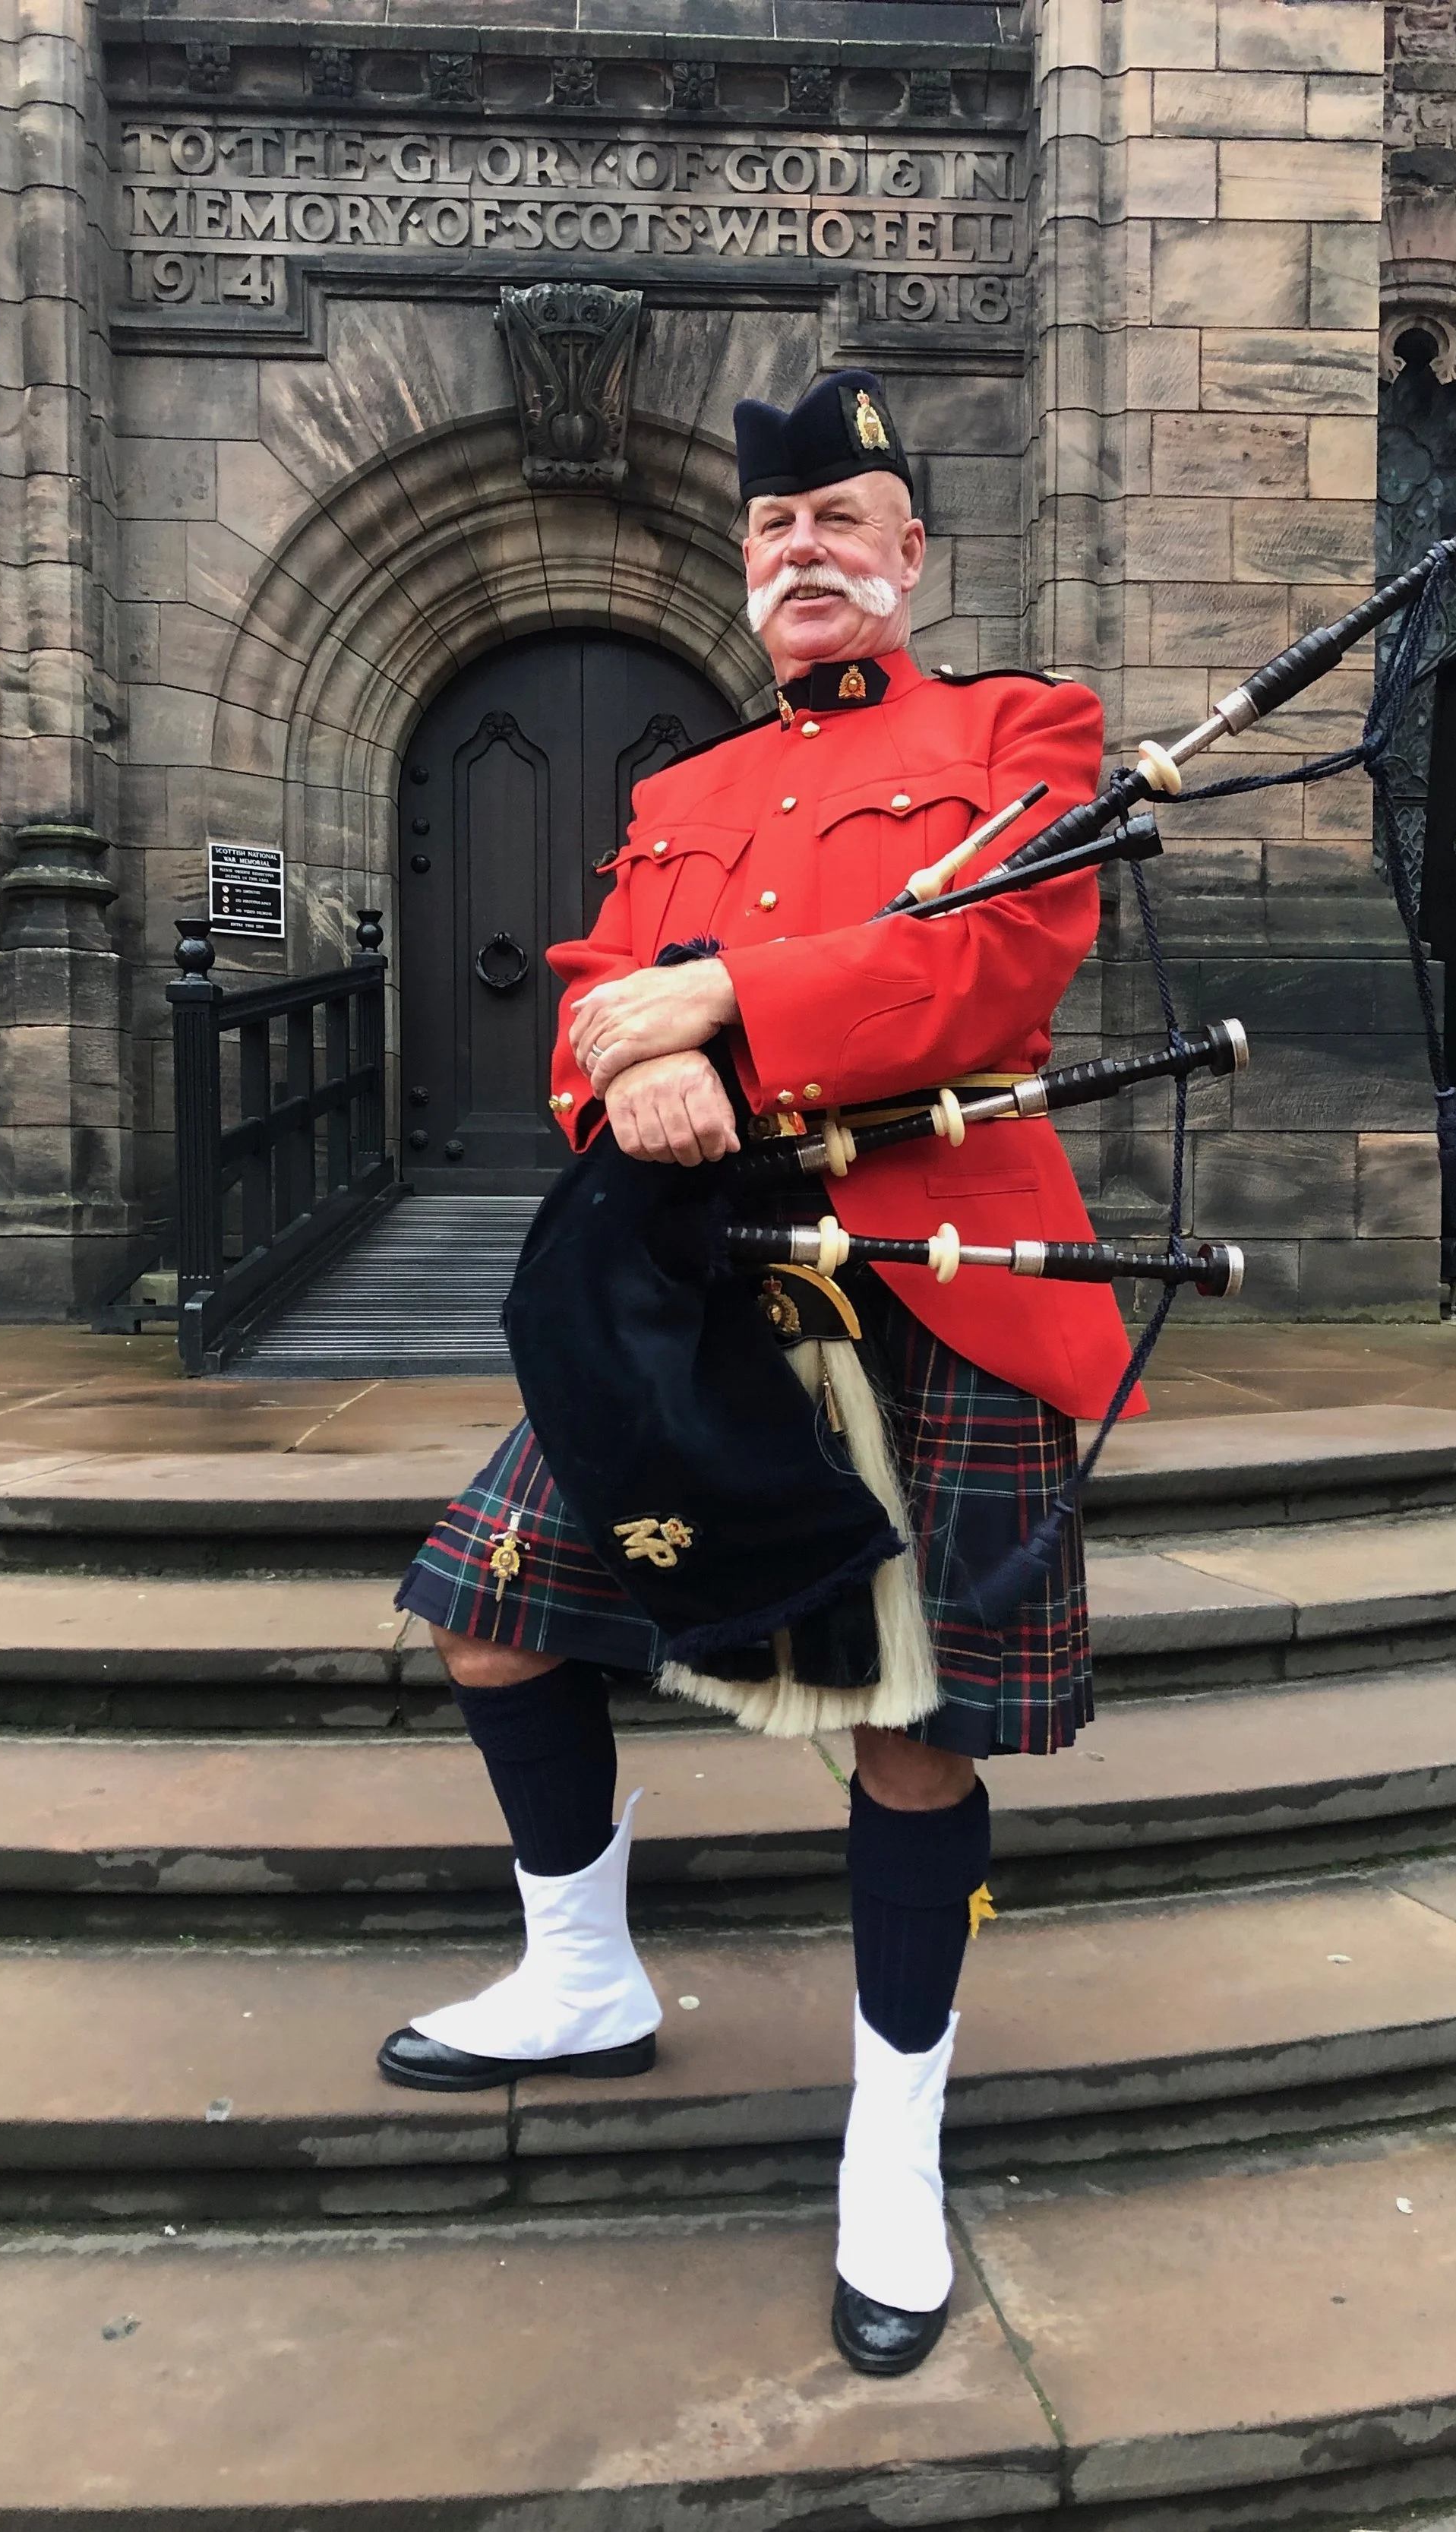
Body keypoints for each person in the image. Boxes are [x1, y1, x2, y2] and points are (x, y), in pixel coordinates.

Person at [380, 369, 1138, 2376]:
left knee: (912, 1727)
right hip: (704, 1285)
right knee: (490, 1611)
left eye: (842, 524)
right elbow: (584, 1014)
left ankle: (892, 2143)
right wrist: (621, 1056)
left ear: (909, 555)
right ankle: (580, 1971)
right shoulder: (676, 791)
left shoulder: (1019, 734)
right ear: (749, 570)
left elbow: (982, 966)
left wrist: (710, 1002)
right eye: (774, 532)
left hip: (942, 1274)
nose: (805, 553)